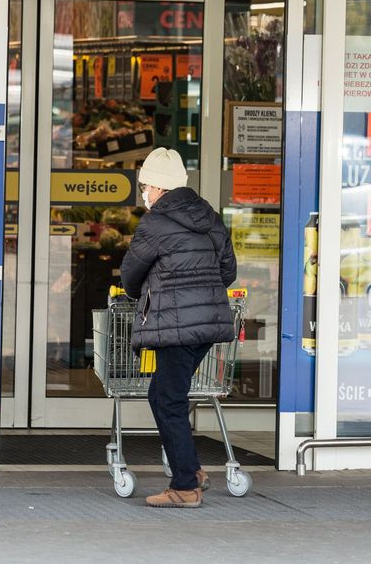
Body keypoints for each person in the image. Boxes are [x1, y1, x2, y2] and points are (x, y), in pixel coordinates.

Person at [120, 147, 237, 508]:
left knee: (168, 399)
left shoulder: (155, 223)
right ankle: (192, 471)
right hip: (206, 323)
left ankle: (185, 487)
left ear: (158, 187)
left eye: (145, 186)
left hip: (175, 325)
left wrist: (151, 294)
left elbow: (130, 273)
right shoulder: (209, 216)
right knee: (163, 395)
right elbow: (228, 270)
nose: (144, 192)